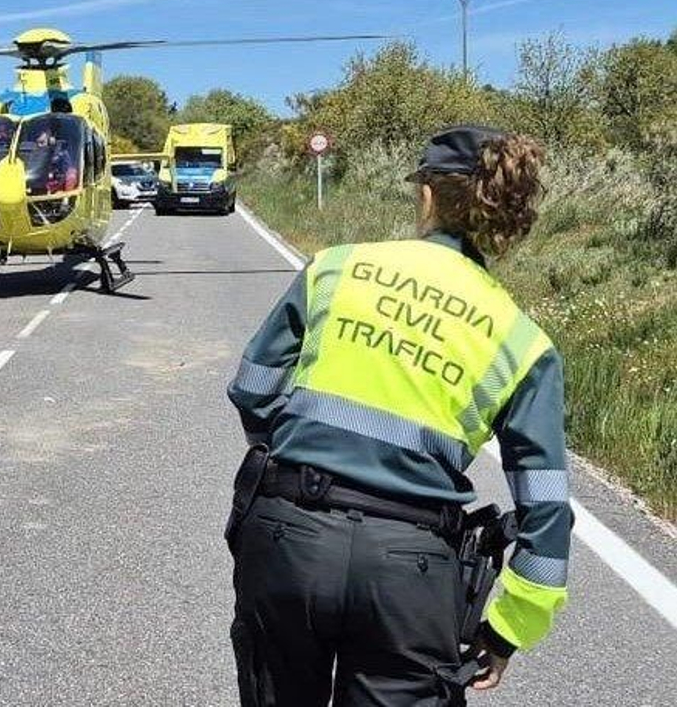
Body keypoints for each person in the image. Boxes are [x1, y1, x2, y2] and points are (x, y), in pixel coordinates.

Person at [224, 126, 569, 706]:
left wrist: (283, 459)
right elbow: (547, 504)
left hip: (290, 535)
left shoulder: (337, 269)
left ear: (428, 195)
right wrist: (509, 630)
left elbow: (253, 390)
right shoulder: (522, 341)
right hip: (412, 571)